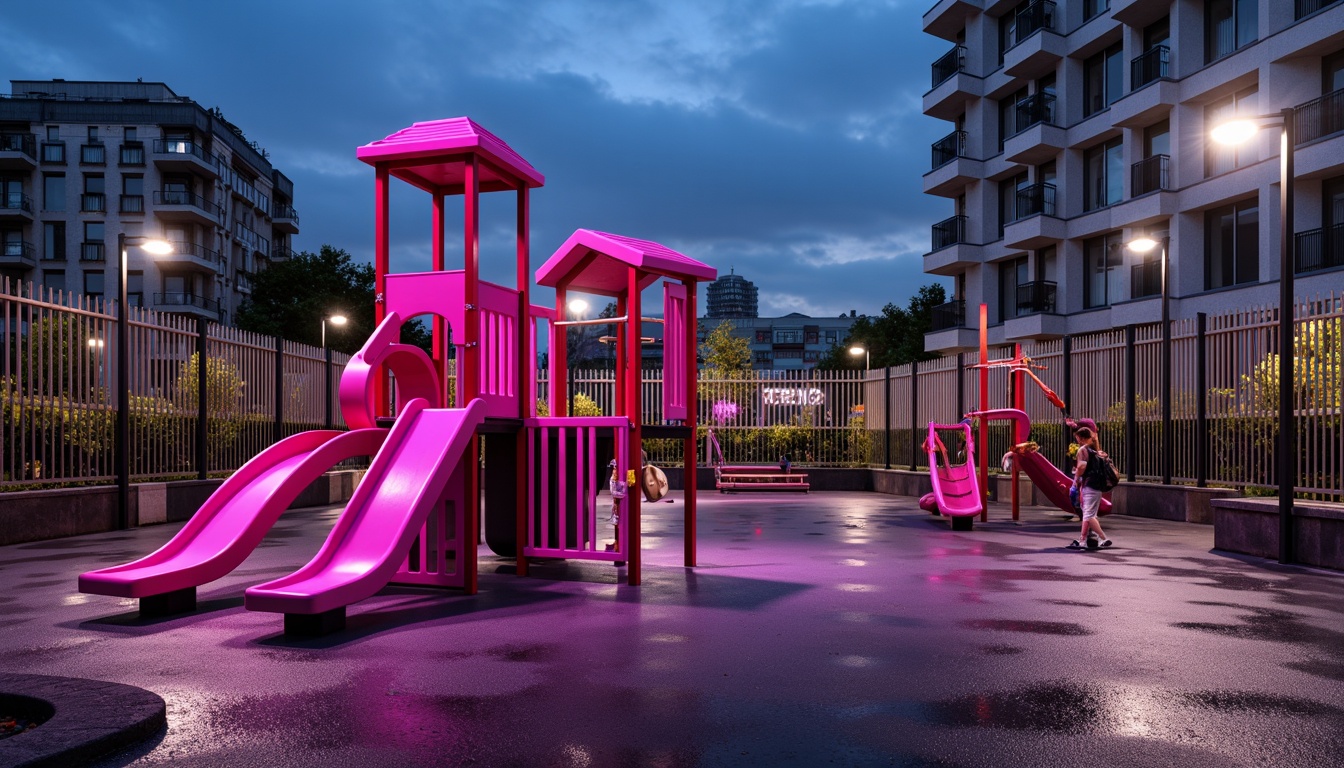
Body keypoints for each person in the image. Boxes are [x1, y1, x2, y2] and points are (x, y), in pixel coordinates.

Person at [1070, 425, 1112, 549]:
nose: (1077, 441)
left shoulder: (1083, 450)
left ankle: (1103, 538)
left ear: (1082, 438)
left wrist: (1075, 480)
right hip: (1098, 486)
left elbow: (1081, 467)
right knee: (1089, 513)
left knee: (1088, 514)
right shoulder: (1096, 451)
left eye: (1077, 439)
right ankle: (1082, 540)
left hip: (1089, 485)